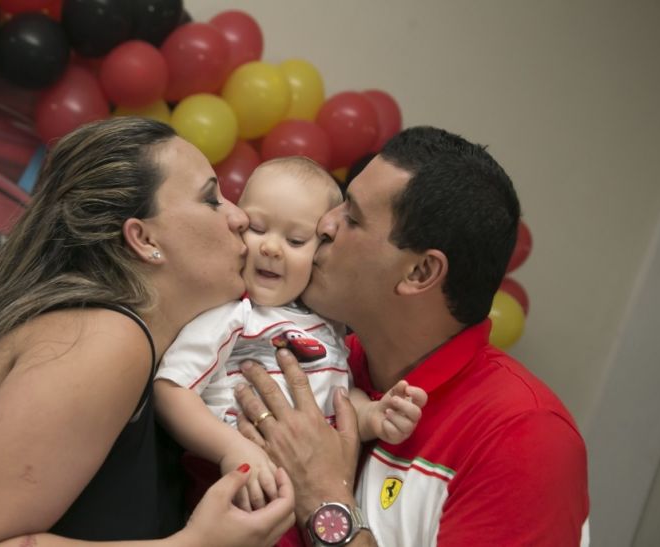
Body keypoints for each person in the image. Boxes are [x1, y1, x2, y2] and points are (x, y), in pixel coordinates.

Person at [0, 117, 295, 547]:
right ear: (143, 238)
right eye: (212, 199)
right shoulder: (103, 338)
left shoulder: (139, 353)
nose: (240, 217)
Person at [234, 127, 590, 546]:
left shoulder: (522, 437)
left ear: (419, 273)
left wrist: (323, 496)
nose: (324, 224)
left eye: (352, 216)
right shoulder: (313, 354)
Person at [153, 158, 426, 526]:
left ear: (320, 252)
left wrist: (373, 416)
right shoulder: (234, 315)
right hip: (237, 490)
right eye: (257, 228)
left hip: (310, 509)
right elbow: (171, 390)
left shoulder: (329, 326)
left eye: (295, 240)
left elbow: (337, 403)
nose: (271, 247)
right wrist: (232, 448)